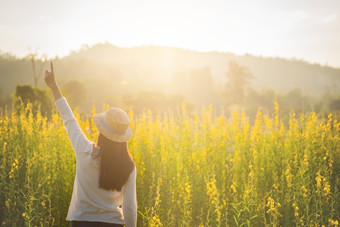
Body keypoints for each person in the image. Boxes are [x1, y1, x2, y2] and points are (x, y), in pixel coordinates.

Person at [44, 62, 137, 227]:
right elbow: (129, 208)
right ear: (123, 138)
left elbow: (69, 118)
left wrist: (53, 85)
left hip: (82, 222)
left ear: (102, 131)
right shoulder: (128, 165)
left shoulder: (84, 150)